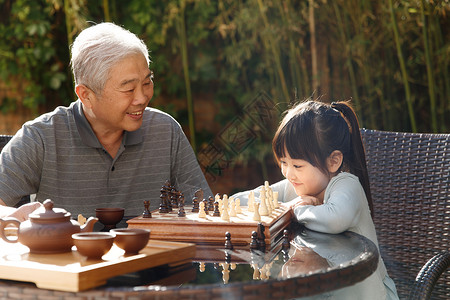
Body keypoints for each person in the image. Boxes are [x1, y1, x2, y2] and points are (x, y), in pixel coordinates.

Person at [0, 22, 212, 221]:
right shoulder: (40, 138)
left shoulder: (165, 131)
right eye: (129, 89)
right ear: (86, 95)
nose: (142, 98)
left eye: (147, 82)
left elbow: (204, 209)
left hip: (151, 260)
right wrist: (13, 216)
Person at [233, 100, 398, 299]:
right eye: (284, 162)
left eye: (298, 166)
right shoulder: (294, 187)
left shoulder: (347, 184)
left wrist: (291, 210)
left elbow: (335, 219)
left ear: (333, 161)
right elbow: (244, 201)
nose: (288, 173)